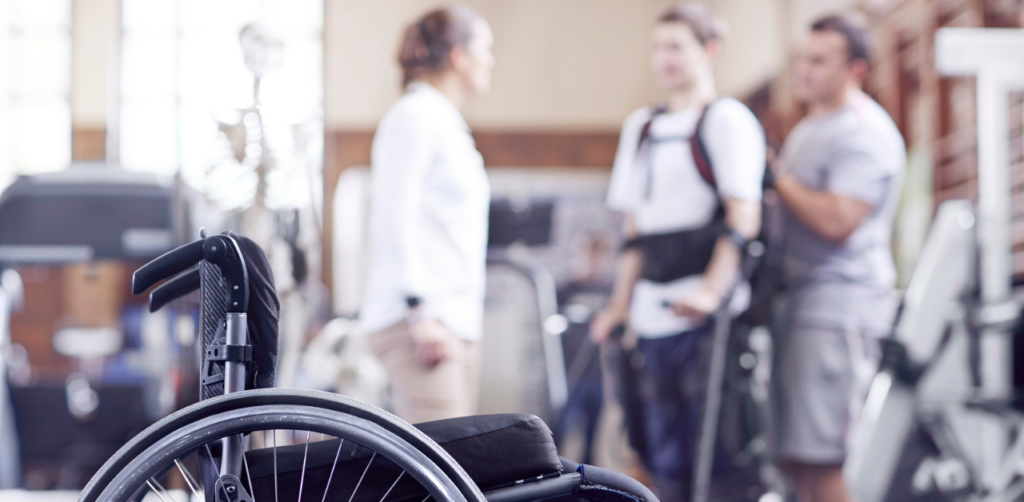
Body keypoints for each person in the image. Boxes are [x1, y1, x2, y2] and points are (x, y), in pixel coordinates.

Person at [590, 3, 765, 500]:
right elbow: (634, 230)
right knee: (654, 451)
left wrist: (712, 291)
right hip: (651, 318)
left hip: (707, 321)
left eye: (676, 47)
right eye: (658, 47)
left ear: (710, 51)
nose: (663, 58)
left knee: (714, 458)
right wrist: (619, 307)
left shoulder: (727, 120)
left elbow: (742, 216)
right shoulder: (641, 128)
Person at [770, 14, 905, 502]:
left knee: (823, 461)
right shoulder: (812, 125)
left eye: (820, 61)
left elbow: (838, 220)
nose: (804, 70)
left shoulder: (864, 132)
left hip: (838, 307)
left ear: (856, 69)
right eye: (803, 59)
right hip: (802, 306)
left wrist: (776, 178)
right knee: (796, 461)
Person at [360, 5, 495, 424]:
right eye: (486, 49)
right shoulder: (414, 116)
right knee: (438, 477)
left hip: (453, 322)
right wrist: (418, 311)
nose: (491, 60)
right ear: (459, 56)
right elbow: (392, 215)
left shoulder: (445, 121)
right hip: (421, 321)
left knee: (458, 469)